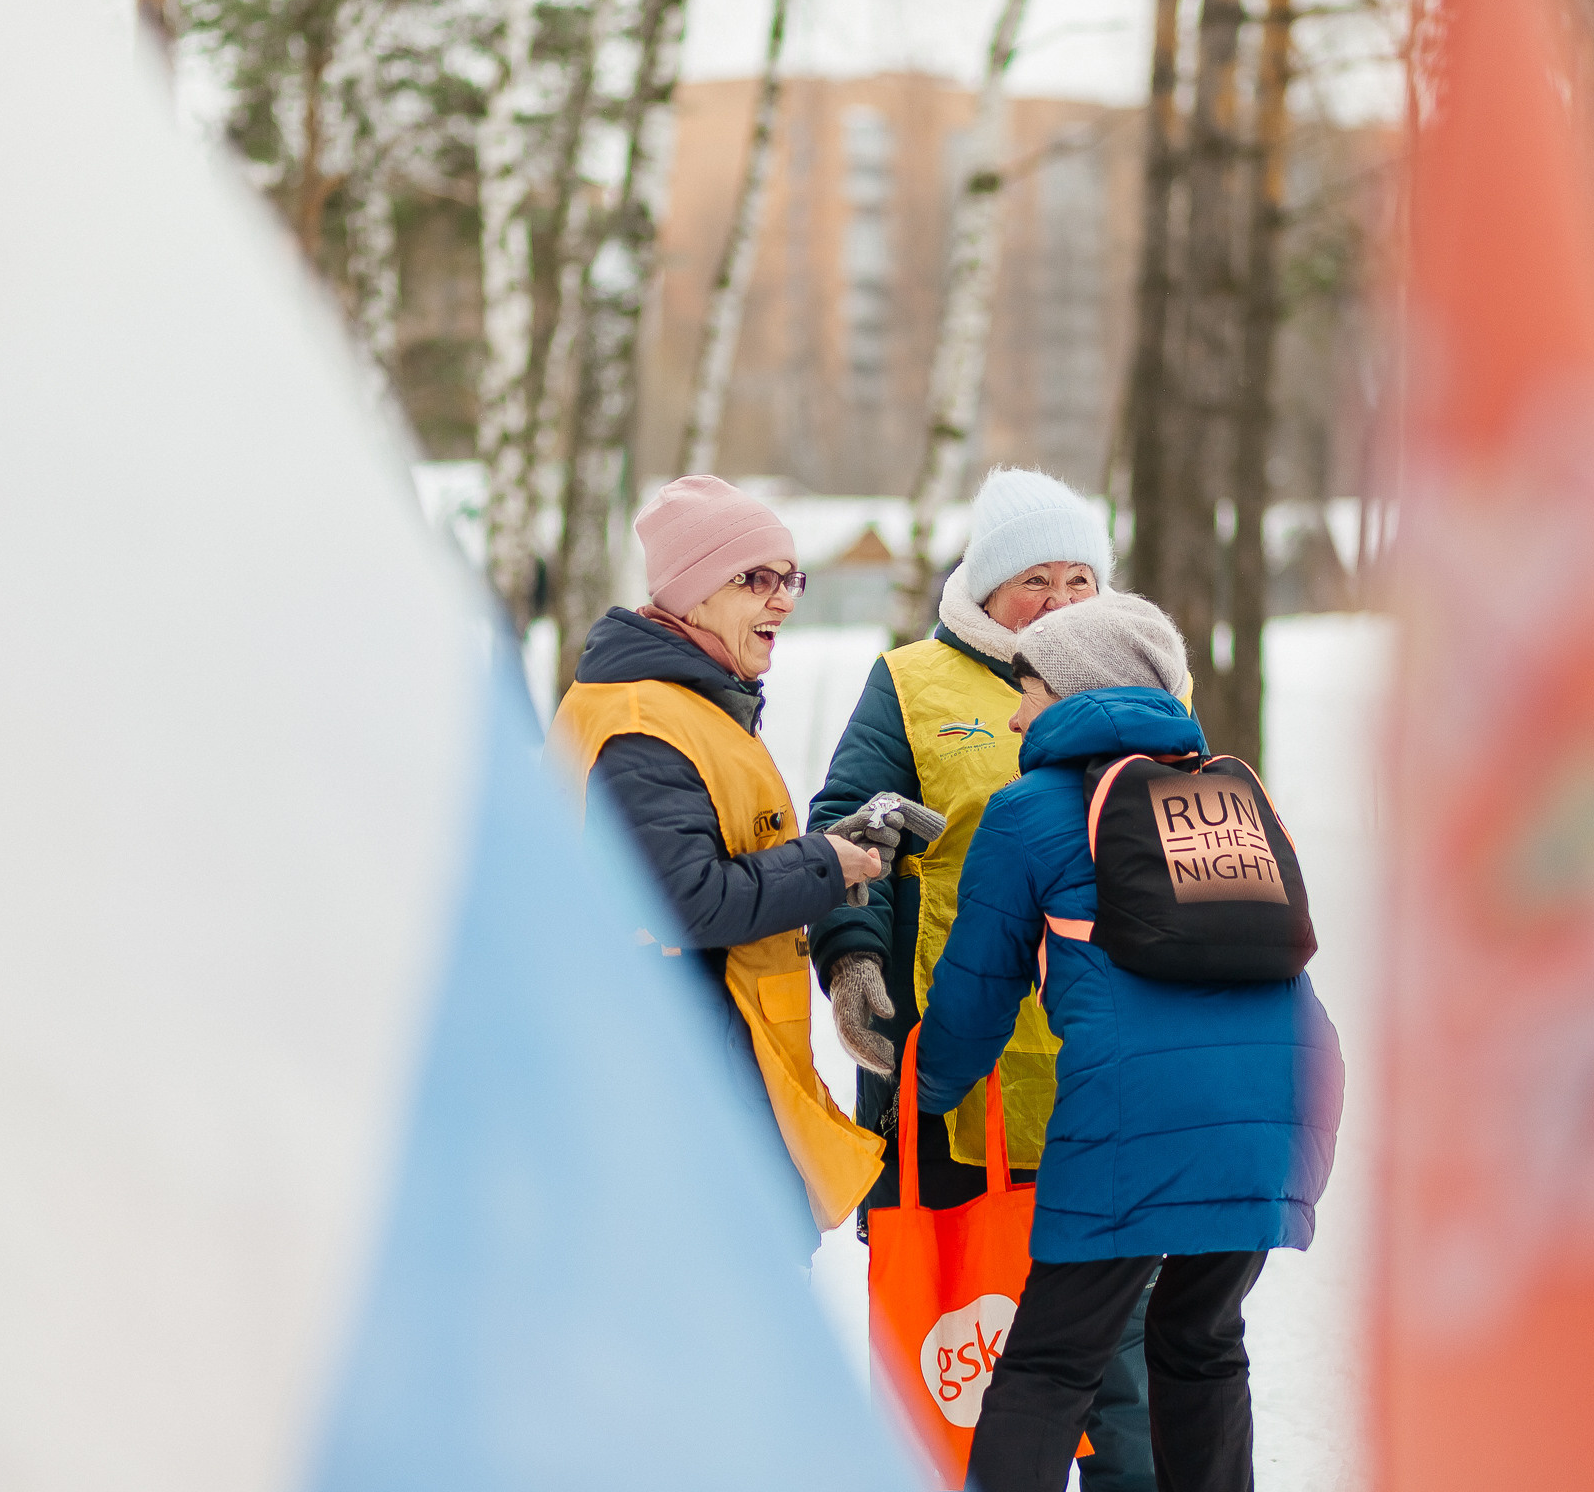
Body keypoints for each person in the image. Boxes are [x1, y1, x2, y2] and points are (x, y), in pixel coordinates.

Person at [912, 593, 1343, 1492]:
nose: (1017, 711)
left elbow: (978, 993)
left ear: (1074, 691)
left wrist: (921, 1088)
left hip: (1136, 1114)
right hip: (1283, 1109)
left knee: (1050, 1363)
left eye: (1026, 688)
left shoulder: (1027, 811)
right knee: (1201, 1342)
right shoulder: (1234, 791)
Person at [804, 467, 1166, 1485]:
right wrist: (854, 959)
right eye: (1034, 580)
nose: (1058, 602)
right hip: (953, 1082)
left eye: (1079, 577)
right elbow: (849, 825)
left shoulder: (1134, 680)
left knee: (1124, 1381)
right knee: (971, 1376)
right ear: (985, 586)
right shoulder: (913, 681)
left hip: (1103, 1082)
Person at [549, 474, 888, 1253]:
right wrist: (827, 864)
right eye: (753, 580)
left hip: (710, 1079)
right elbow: (681, 899)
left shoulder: (691, 703)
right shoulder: (643, 723)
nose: (783, 600)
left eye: (788, 577)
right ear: (691, 595)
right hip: (678, 1089)